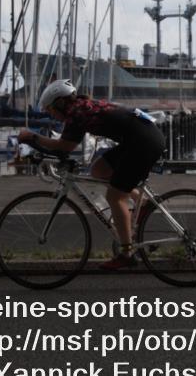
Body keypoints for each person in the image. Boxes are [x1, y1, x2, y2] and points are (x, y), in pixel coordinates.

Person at [17, 80, 166, 269]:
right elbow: (66, 147)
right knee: (99, 170)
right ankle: (142, 202)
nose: (50, 115)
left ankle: (126, 253)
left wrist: (32, 137)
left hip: (143, 142)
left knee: (115, 197)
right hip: (139, 138)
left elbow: (65, 146)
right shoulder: (80, 107)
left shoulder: (77, 113)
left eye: (50, 110)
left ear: (60, 103)